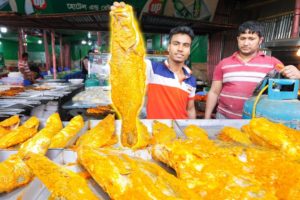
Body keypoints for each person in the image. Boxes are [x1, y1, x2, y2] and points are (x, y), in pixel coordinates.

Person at [111, 2, 196, 119]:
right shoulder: (152, 68)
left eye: (186, 45)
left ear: (189, 50)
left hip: (180, 133)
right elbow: (130, 54)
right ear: (169, 47)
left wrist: (191, 128)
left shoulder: (191, 79)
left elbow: (190, 109)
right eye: (176, 44)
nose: (180, 49)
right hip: (156, 131)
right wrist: (124, 25)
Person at [205, 21, 300, 119]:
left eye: (251, 39)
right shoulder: (223, 63)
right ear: (237, 39)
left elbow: (287, 88)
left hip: (256, 120)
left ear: (260, 40)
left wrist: (297, 74)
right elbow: (214, 92)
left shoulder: (273, 64)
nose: (246, 43)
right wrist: (207, 118)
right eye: (242, 38)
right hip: (224, 117)